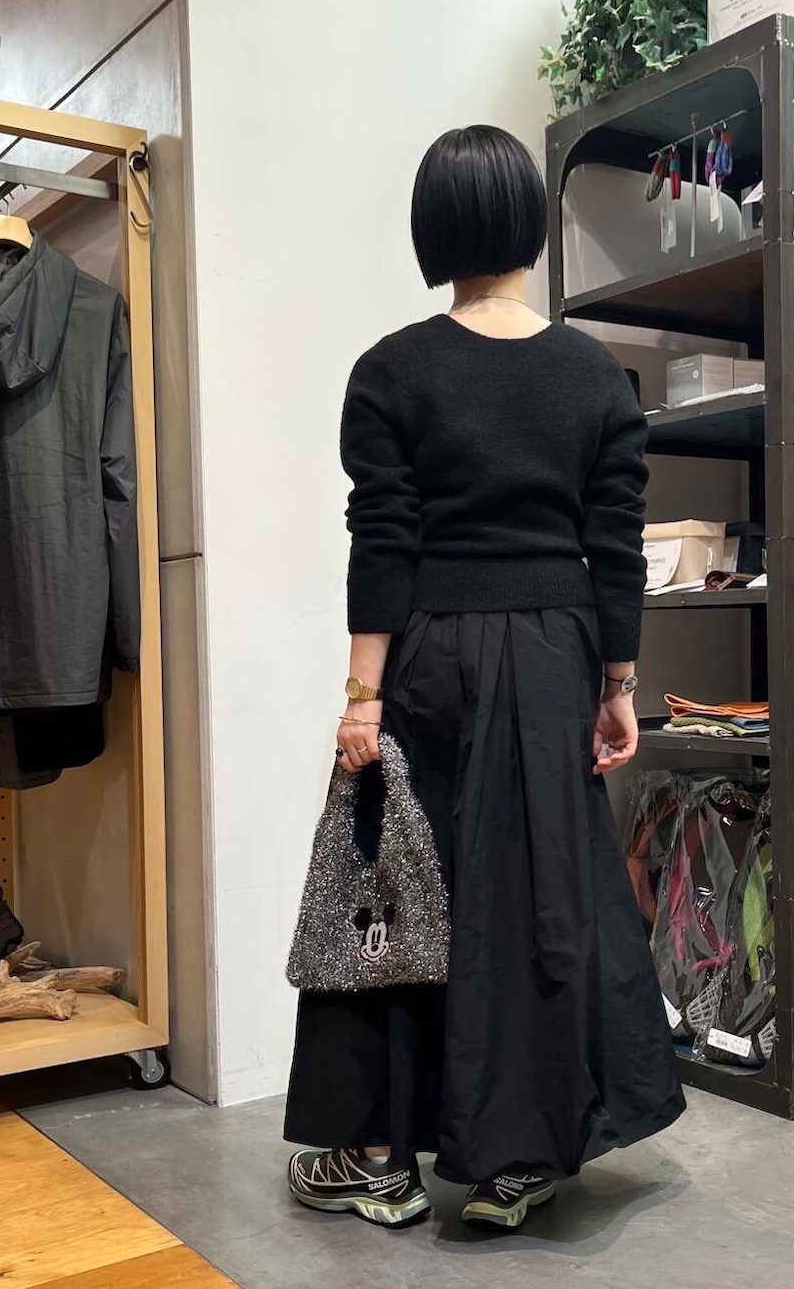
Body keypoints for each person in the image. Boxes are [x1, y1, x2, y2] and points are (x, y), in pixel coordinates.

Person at [284, 124, 685, 1231]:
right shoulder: (592, 372)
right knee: (539, 896)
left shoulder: (391, 369)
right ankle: (520, 1158)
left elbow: (384, 537)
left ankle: (386, 1160)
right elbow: (614, 540)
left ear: (434, 229)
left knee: (408, 887)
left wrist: (361, 697)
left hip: (432, 658)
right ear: (529, 227)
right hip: (556, 657)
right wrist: (618, 682)